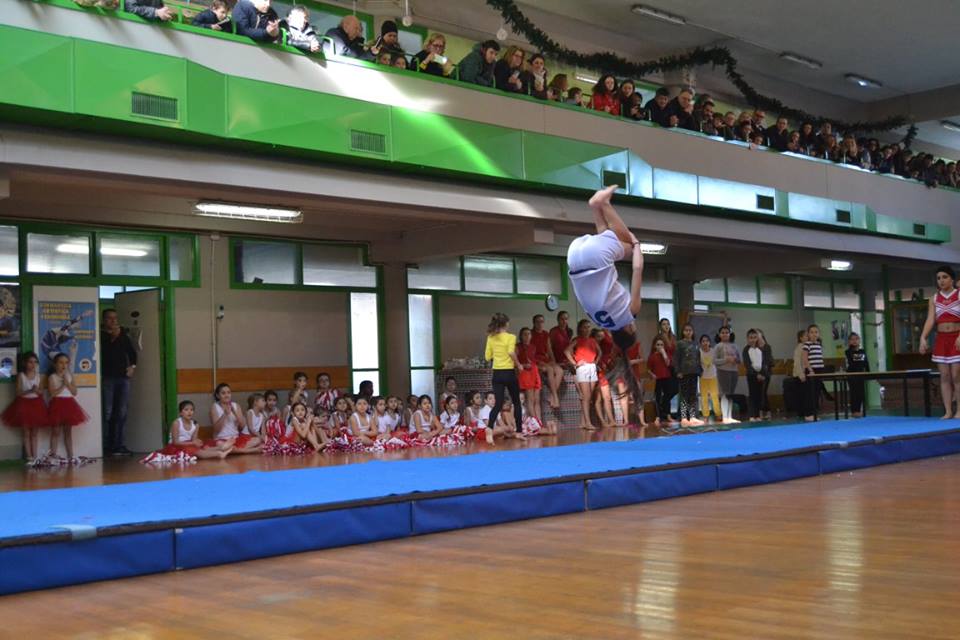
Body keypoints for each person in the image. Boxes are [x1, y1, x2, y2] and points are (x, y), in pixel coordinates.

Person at [919, 265, 960, 419]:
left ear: (952, 279)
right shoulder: (934, 299)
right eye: (938, 278)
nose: (941, 281)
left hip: (956, 338)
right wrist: (923, 337)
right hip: (942, 339)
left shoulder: (959, 295)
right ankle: (948, 411)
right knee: (944, 376)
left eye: (945, 277)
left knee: (956, 375)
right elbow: (931, 319)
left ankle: (959, 410)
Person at [100, 309, 137, 456]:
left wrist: (132, 367)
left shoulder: (123, 335)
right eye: (110, 318)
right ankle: (106, 445)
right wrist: (113, 337)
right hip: (107, 377)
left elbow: (132, 353)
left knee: (122, 412)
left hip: (123, 377)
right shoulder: (100, 335)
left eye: (115, 318)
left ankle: (119, 444)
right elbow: (104, 351)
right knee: (107, 412)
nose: (113, 321)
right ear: (104, 320)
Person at [1, 352, 47, 464]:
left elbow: (41, 392)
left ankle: (35, 457)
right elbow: (18, 393)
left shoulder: (39, 376)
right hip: (24, 405)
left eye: (35, 362)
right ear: (24, 363)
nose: (33, 364)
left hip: (37, 405)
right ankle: (29, 457)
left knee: (34, 433)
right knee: (26, 433)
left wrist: (37, 391)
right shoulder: (21, 376)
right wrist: (30, 390)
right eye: (30, 362)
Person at [485, 313, 523, 444]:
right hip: (509, 373)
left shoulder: (491, 337)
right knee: (516, 402)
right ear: (506, 324)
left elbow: (487, 357)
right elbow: (511, 352)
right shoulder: (511, 337)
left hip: (497, 374)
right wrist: (518, 364)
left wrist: (497, 354)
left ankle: (489, 428)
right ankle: (519, 431)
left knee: (498, 404)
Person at [150, 401, 231, 461]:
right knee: (196, 451)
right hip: (176, 446)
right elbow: (175, 442)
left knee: (203, 447)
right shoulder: (176, 423)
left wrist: (197, 442)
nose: (189, 412)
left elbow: (193, 440)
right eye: (186, 410)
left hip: (189, 444)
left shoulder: (195, 424)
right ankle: (219, 454)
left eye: (191, 410)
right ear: (180, 413)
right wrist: (193, 443)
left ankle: (221, 448)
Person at [47, 353, 88, 462]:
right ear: (55, 364)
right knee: (55, 431)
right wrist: (63, 385)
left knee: (68, 432)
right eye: (61, 362)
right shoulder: (52, 377)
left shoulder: (70, 375)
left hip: (69, 405)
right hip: (57, 405)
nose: (64, 365)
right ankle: (52, 455)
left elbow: (74, 392)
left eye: (66, 363)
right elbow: (52, 393)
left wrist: (68, 383)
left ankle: (71, 456)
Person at [566, 319, 599, 431]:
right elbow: (567, 351)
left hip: (591, 367)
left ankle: (583, 421)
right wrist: (575, 363)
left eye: (588, 327)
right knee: (585, 396)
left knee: (588, 397)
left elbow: (600, 352)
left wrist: (595, 362)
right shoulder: (577, 340)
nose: (587, 329)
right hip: (582, 367)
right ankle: (588, 422)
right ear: (580, 328)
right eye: (585, 327)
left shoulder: (592, 340)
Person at [209, 383, 260, 453]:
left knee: (257, 440)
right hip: (221, 439)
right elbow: (216, 429)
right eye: (223, 393)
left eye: (228, 393)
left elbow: (242, 426)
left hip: (235, 438)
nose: (227, 395)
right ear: (218, 395)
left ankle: (234, 450)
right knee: (222, 446)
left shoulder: (236, 406)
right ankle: (249, 450)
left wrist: (235, 412)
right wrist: (225, 414)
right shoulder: (214, 407)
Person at [531, 314, 563, 409]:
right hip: (536, 360)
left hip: (545, 359)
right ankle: (555, 396)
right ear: (534, 323)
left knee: (560, 370)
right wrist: (539, 362)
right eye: (538, 322)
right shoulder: (531, 334)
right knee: (549, 369)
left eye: (542, 321)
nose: (540, 324)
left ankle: (551, 396)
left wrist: (553, 361)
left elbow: (549, 349)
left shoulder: (545, 334)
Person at [675, 323, 702, 427]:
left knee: (692, 395)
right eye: (686, 330)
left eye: (690, 330)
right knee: (684, 395)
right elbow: (676, 358)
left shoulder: (696, 344)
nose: (688, 332)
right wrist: (678, 371)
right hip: (684, 373)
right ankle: (683, 417)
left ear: (693, 332)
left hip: (694, 372)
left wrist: (699, 370)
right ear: (683, 332)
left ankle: (693, 416)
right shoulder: (680, 343)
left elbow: (698, 358)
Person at [743, 328, 772, 422]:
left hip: (761, 376)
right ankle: (752, 415)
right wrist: (756, 374)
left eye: (755, 337)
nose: (753, 340)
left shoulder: (761, 349)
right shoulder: (746, 349)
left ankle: (758, 415)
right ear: (747, 338)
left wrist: (762, 374)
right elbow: (747, 364)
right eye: (751, 337)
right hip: (751, 375)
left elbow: (764, 363)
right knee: (752, 395)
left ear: (757, 338)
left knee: (759, 396)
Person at [714, 326, 741, 424]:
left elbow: (739, 360)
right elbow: (715, 361)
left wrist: (735, 360)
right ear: (719, 335)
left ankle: (729, 416)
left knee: (730, 394)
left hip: (734, 371)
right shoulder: (718, 346)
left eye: (727, 332)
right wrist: (726, 359)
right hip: (723, 371)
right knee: (725, 393)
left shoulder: (735, 346)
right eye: (723, 332)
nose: (725, 334)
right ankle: (725, 417)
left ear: (730, 334)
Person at [648, 335, 674, 428]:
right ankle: (658, 416)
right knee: (658, 397)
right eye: (658, 345)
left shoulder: (666, 354)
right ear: (655, 346)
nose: (660, 346)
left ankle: (668, 415)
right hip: (658, 379)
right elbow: (649, 369)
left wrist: (664, 353)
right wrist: (652, 374)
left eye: (661, 345)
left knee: (667, 396)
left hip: (667, 377)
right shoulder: (652, 356)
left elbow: (668, 363)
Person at [800, 325, 825, 422]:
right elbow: (804, 358)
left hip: (819, 370)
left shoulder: (819, 344)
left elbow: (819, 358)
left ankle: (814, 413)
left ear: (819, 334)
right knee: (810, 393)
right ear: (808, 334)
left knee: (816, 393)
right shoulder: (807, 344)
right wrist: (810, 370)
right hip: (811, 371)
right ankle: (808, 414)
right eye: (812, 332)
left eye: (816, 332)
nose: (814, 334)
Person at [516, 327, 542, 421]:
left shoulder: (533, 347)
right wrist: (523, 365)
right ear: (521, 336)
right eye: (525, 334)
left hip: (534, 372)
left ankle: (539, 421)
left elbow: (534, 360)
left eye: (529, 334)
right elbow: (514, 362)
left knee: (537, 400)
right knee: (530, 399)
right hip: (525, 373)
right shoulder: (517, 347)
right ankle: (535, 422)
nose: (527, 336)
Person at [845, 332, 870, 418]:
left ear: (859, 340)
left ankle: (859, 410)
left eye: (856, 339)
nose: (854, 341)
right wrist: (858, 356)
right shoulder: (848, 352)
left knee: (861, 393)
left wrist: (868, 372)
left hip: (861, 374)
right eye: (852, 339)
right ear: (849, 341)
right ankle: (854, 411)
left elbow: (865, 362)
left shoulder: (862, 351)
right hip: (852, 374)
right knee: (854, 393)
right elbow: (852, 362)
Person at [698, 335, 720, 423]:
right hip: (703, 378)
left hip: (713, 377)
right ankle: (705, 415)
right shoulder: (698, 352)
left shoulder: (713, 351)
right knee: (704, 398)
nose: (705, 343)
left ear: (709, 342)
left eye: (707, 341)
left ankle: (718, 414)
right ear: (700, 343)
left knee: (715, 396)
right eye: (703, 341)